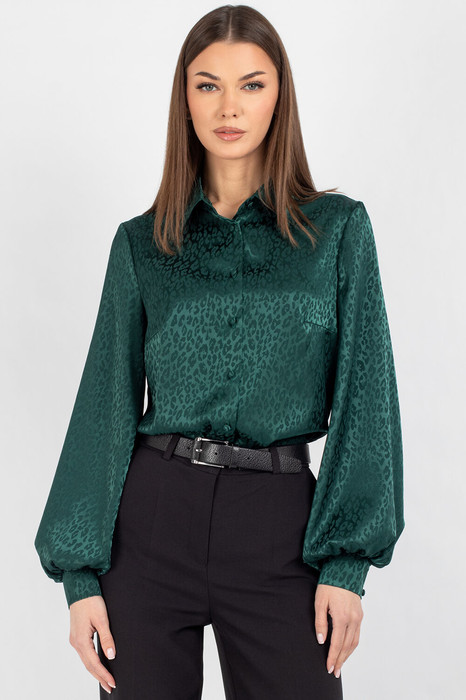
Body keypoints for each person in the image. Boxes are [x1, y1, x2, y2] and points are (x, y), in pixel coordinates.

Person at [34, 5, 405, 699]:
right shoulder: (143, 244)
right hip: (152, 520)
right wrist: (79, 578)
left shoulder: (337, 232)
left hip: (279, 525)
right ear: (185, 98)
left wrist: (346, 567)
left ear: (279, 97)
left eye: (251, 85)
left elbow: (367, 398)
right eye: (208, 85)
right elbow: (105, 404)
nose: (228, 107)